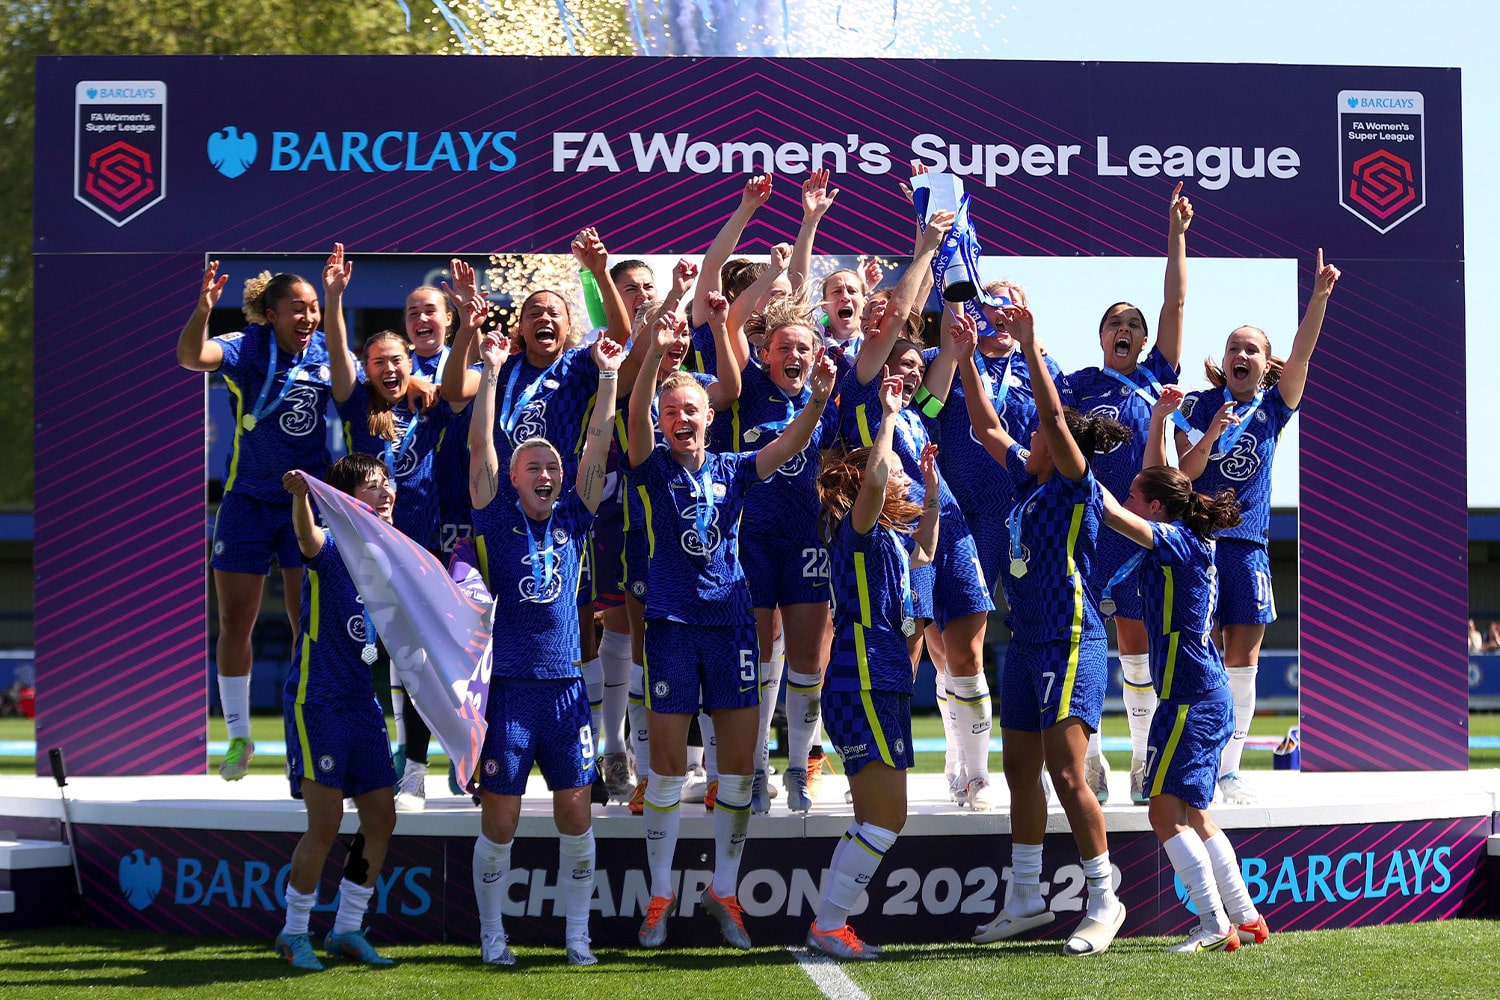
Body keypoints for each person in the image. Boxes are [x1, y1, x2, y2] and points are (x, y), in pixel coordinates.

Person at [627, 313, 836, 951]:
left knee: (740, 769)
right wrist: (654, 359)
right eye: (670, 411)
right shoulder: (651, 467)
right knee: (667, 768)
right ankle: (659, 893)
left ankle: (725, 890)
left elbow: (788, 448)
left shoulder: (734, 467)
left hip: (732, 623)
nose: (680, 418)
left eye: (690, 410)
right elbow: (634, 415)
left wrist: (819, 401)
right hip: (670, 624)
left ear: (709, 417)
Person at [952, 306, 1129, 956]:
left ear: (1058, 444)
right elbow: (984, 425)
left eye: (1040, 433)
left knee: (1067, 773)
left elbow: (1052, 416)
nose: (1028, 435)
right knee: (1020, 769)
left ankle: (1104, 900)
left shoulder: (1075, 486)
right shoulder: (1027, 481)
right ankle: (1025, 895)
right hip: (1026, 642)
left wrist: (1028, 346)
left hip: (1071, 639)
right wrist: (966, 358)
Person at [457, 330, 623, 967]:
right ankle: (491, 934)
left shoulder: (573, 518)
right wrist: (491, 371)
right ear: (513, 478)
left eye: (553, 467)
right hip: (509, 691)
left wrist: (607, 377)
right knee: (500, 824)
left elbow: (598, 444)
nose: (547, 474)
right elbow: (480, 444)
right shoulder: (495, 516)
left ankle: (577, 937)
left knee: (576, 819)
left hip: (566, 691)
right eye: (534, 467)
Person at [1098, 385, 1270, 952]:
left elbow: (1113, 511)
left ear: (1154, 507)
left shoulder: (1177, 541)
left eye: (1137, 494)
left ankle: (1214, 924)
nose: (1130, 496)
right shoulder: (1185, 534)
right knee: (1194, 814)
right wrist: (1156, 424)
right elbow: (1156, 481)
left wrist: (1072, 466)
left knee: (1163, 814)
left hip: (1191, 698)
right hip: (1196, 695)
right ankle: (1245, 917)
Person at [1175, 249, 1340, 804]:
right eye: (1233, 347)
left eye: (1252, 349)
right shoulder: (1195, 405)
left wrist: (1318, 298)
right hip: (1196, 546)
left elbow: (1303, 354)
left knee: (1242, 662)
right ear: (1224, 358)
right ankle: (1186, 763)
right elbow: (1184, 473)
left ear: (1267, 365)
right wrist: (1210, 433)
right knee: (1193, 655)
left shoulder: (1274, 407)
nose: (1241, 354)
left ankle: (1229, 771)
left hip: (1247, 547)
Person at [176, 255, 339, 781]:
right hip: (246, 501)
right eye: (298, 308)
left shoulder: (327, 351)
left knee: (304, 625)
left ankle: (301, 736)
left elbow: (369, 388)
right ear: (271, 315)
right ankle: (238, 737)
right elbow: (191, 356)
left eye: (313, 307)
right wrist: (203, 309)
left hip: (303, 504)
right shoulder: (246, 347)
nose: (308, 316)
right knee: (234, 622)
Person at [1060, 183, 1192, 803]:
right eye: (1115, 322)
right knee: (1084, 643)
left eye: (1134, 325)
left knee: (1137, 648)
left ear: (1144, 342)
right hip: (1087, 529)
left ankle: (1142, 759)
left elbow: (1176, 302)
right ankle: (1090, 757)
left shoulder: (1157, 377)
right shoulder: (1079, 383)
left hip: (1139, 531)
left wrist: (1176, 235)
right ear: (1100, 335)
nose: (1126, 328)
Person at [806, 368, 940, 959]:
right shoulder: (857, 527)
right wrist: (887, 416)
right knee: (887, 820)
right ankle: (829, 923)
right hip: (861, 677)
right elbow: (878, 477)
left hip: (877, 678)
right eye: (893, 471)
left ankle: (829, 923)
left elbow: (926, 551)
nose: (900, 474)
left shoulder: (886, 537)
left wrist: (931, 491)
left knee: (872, 819)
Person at [323, 244, 458, 810]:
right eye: (377, 361)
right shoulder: (356, 405)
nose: (389, 369)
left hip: (425, 547)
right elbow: (337, 353)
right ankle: (374, 764)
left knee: (426, 658)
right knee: (379, 657)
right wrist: (334, 299)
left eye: (396, 360)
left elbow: (461, 380)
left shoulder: (430, 402)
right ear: (367, 368)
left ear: (410, 362)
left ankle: (430, 766)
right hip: (369, 552)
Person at [713, 295, 842, 814]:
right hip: (752, 541)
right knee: (760, 657)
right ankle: (758, 768)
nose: (794, 355)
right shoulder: (746, 391)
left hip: (806, 540)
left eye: (803, 348)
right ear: (765, 354)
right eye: (784, 347)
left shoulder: (828, 401)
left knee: (808, 660)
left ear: (816, 355)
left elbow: (833, 469)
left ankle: (798, 768)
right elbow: (730, 327)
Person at [275, 455, 400, 970]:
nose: (386, 492)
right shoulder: (329, 545)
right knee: (325, 822)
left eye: (388, 483)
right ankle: (294, 932)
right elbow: (305, 538)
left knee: (382, 818)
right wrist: (301, 497)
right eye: (373, 486)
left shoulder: (392, 554)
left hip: (363, 704)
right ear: (345, 499)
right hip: (318, 701)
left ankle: (347, 928)